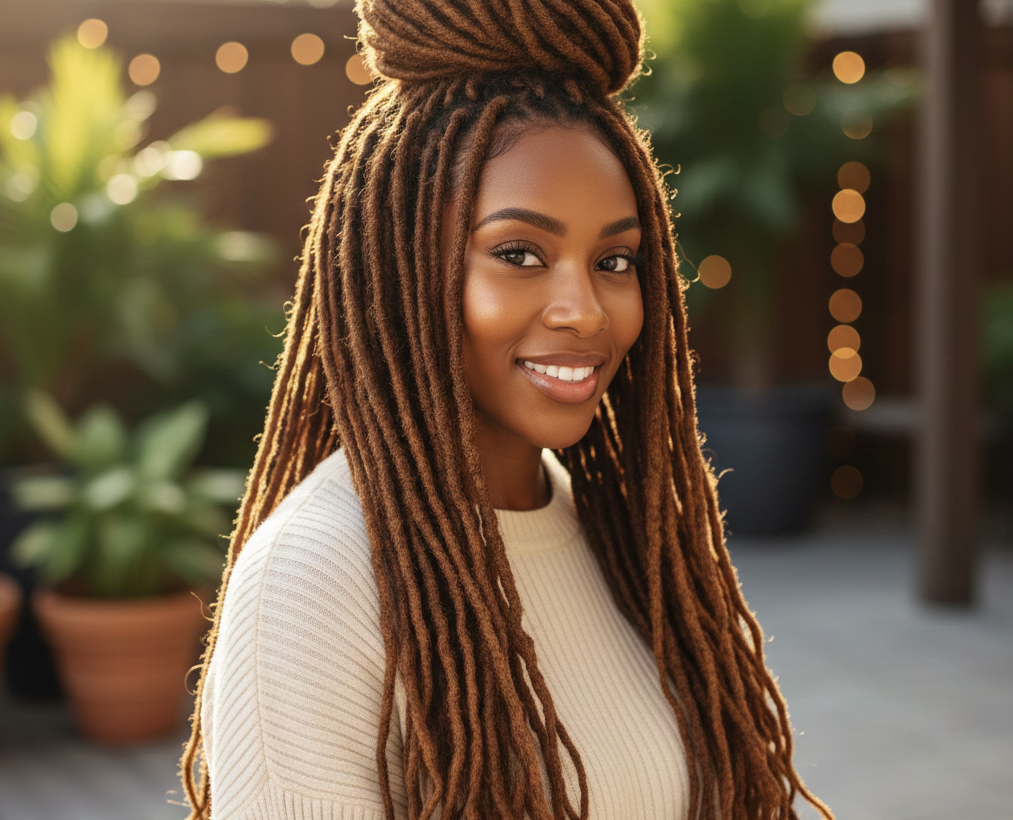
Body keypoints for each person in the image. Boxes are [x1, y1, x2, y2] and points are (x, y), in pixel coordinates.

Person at [180, 1, 833, 818]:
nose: (585, 310)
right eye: (519, 254)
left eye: (614, 260)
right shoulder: (313, 579)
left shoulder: (621, 530)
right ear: (402, 271)